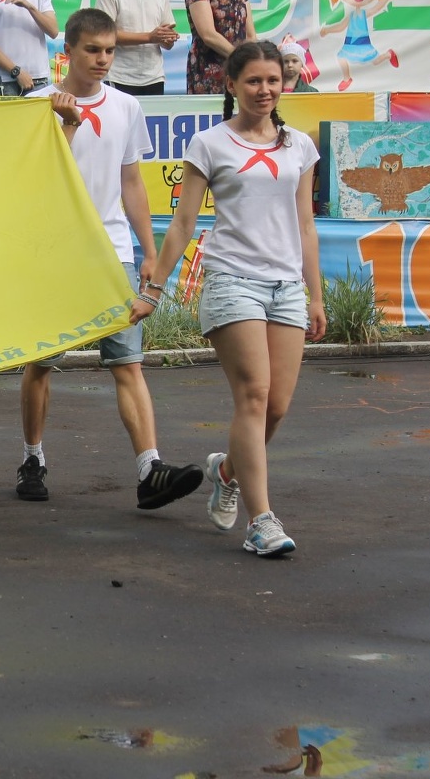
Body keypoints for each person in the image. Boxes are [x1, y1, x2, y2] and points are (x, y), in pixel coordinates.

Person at [131, 41, 326, 557]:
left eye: (274, 81)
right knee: (254, 396)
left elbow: (306, 225)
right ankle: (261, 522)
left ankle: (226, 470)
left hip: (286, 285)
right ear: (231, 85)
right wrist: (155, 287)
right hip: (231, 281)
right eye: (254, 81)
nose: (265, 90)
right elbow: (183, 224)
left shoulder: (300, 146)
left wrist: (316, 295)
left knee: (277, 408)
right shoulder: (209, 144)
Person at [14, 8, 203, 511]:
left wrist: (147, 251)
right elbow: (35, 181)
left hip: (112, 251)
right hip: (52, 253)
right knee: (41, 363)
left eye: (109, 50)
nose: (102, 60)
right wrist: (66, 124)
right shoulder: (35, 105)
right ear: (67, 52)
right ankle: (33, 457)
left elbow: (131, 181)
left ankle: (149, 469)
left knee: (128, 362)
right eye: (92, 50)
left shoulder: (125, 107)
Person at [319, 0, 400, 90]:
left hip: (363, 44)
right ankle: (347, 78)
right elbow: (340, 26)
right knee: (341, 57)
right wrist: (327, 30)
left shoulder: (362, 13)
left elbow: (375, 8)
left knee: (375, 61)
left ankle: (388, 54)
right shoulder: (351, 15)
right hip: (350, 44)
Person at [185, 0, 255, 95]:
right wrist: (240, 58)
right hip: (208, 72)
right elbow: (208, 35)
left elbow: (250, 34)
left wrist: (251, 61)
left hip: (240, 70)